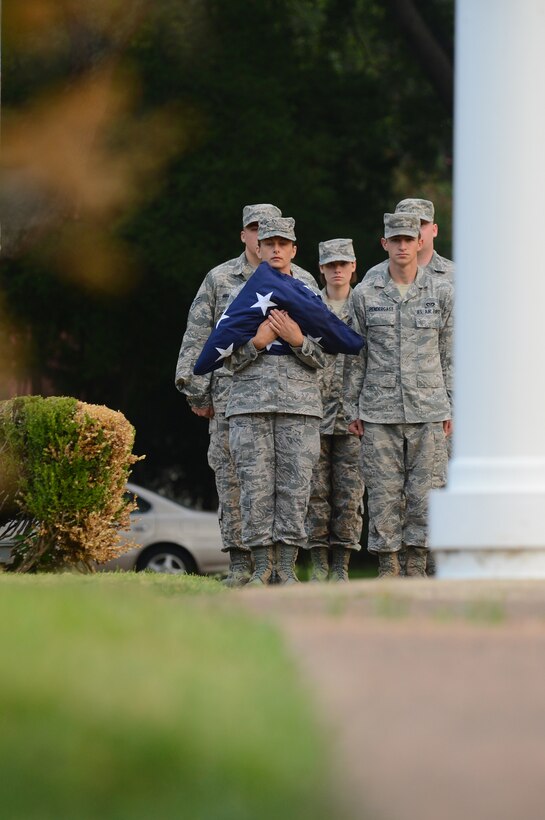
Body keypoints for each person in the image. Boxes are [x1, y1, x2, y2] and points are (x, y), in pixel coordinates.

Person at [175, 203, 282, 587]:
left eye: (268, 231)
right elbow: (196, 339)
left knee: (282, 483)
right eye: (254, 229)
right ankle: (239, 564)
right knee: (232, 480)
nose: (260, 237)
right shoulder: (220, 279)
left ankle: (276, 567)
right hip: (230, 400)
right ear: (244, 234)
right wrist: (197, 393)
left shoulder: (297, 278)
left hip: (283, 401)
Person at [347, 212, 453, 578]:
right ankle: (388, 566)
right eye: (396, 240)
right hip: (378, 410)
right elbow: (354, 357)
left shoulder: (441, 292)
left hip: (429, 408)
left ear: (420, 242)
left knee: (427, 492)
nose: (403, 245)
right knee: (382, 492)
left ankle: (417, 565)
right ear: (385, 244)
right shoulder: (364, 294)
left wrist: (450, 405)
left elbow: (449, 354)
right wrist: (352, 407)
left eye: (409, 239)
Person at [224, 216, 325, 585]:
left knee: (296, 488)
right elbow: (225, 357)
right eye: (270, 244)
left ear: (294, 250)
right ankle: (261, 566)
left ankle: (286, 566)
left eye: (284, 244)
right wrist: (257, 343)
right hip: (249, 404)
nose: (277, 250)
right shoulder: (242, 292)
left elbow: (325, 356)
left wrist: (298, 340)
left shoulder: (309, 286)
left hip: (299, 406)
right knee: (254, 488)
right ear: (258, 248)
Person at [305, 238, 364, 582]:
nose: (337, 270)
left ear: (353, 267)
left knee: (350, 494)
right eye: (331, 265)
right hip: (314, 411)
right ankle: (318, 563)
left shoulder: (366, 305)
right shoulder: (309, 307)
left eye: (343, 264)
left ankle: (341, 565)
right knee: (315, 493)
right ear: (321, 269)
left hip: (355, 416)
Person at [366, 198, 454, 282]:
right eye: (406, 226)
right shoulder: (374, 275)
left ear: (434, 230)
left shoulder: (456, 275)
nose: (413, 231)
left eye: (420, 224)